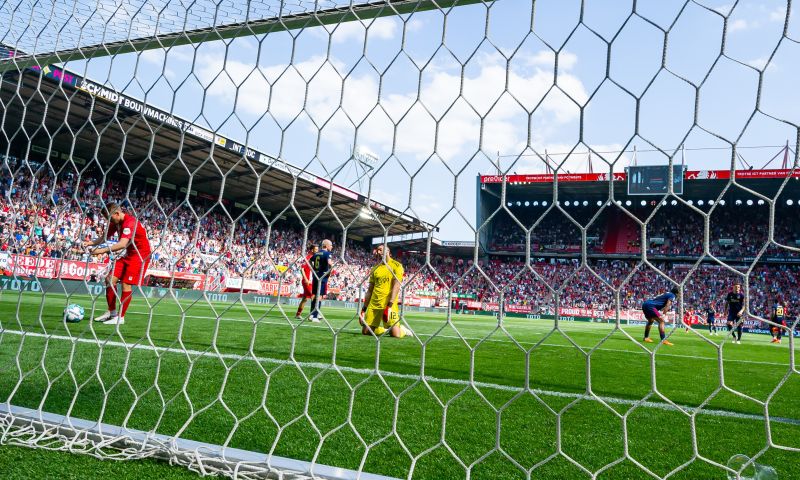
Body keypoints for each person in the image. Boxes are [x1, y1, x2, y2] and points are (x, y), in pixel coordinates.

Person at [83, 203, 151, 326]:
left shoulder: (129, 222)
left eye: (110, 218)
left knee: (126, 284)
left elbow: (122, 244)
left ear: (117, 213)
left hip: (140, 256)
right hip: (128, 254)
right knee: (109, 279)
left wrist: (101, 251)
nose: (110, 221)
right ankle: (112, 312)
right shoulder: (116, 222)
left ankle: (121, 317)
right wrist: (90, 243)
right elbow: (104, 237)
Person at [360, 244, 411, 338]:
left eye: (380, 250)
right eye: (377, 250)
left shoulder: (396, 266)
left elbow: (396, 286)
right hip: (374, 304)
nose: (378, 252)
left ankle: (403, 330)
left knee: (396, 335)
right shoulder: (375, 268)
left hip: (388, 304)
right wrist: (363, 309)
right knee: (366, 332)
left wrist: (390, 305)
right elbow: (370, 290)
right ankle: (385, 330)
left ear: (387, 251)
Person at [309, 239, 333, 322]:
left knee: (315, 295)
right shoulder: (327, 254)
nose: (332, 247)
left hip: (315, 276)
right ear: (326, 246)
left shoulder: (317, 253)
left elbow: (309, 261)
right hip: (322, 277)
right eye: (331, 245)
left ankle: (312, 314)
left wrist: (314, 270)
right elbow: (330, 263)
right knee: (319, 297)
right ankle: (315, 316)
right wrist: (330, 271)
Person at [295, 244, 318, 319]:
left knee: (305, 299)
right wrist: (306, 279)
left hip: (311, 281)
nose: (317, 251)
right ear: (312, 250)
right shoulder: (308, 257)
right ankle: (312, 315)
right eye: (316, 249)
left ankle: (298, 314)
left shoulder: (314, 258)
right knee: (313, 296)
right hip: (307, 281)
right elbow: (302, 269)